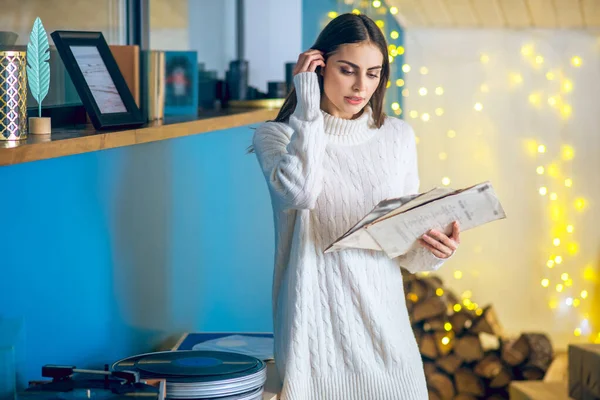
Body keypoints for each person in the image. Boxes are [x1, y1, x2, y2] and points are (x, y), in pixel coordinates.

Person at [251, 13, 461, 400]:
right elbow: (299, 193)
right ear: (318, 66)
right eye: (347, 70)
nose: (361, 86)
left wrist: (433, 250)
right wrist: (308, 108)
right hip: (315, 340)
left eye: (373, 73)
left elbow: (402, 244)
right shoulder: (277, 137)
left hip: (388, 335)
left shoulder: (397, 136)